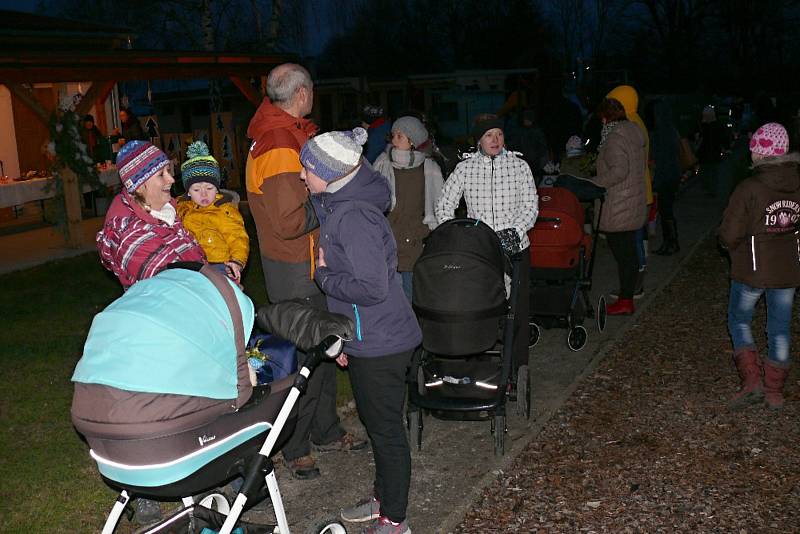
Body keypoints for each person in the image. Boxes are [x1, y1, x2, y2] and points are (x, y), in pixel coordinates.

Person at [299, 128, 420, 534]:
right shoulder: (341, 204)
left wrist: (324, 278)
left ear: (330, 173)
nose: (301, 175)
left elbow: (372, 287)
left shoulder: (353, 217)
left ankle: (395, 519)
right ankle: (384, 500)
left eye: (307, 168)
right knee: (377, 423)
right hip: (371, 335)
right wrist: (346, 336)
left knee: (385, 431)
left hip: (383, 342)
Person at [245, 62, 363, 480]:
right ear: (300, 94)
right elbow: (289, 220)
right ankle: (295, 447)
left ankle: (326, 430)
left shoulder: (289, 132)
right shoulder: (278, 143)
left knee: (324, 347)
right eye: (311, 90)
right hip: (296, 265)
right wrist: (330, 198)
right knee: (302, 358)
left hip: (310, 261)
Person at [95, 140, 207, 524]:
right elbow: (165, 268)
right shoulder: (127, 227)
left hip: (179, 326)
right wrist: (208, 270)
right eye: (163, 174)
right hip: (151, 333)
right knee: (149, 411)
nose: (171, 180)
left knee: (183, 405)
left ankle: (188, 473)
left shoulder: (163, 213)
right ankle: (143, 491)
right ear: (140, 183)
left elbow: (192, 258)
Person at [435, 115, 538, 376]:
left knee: (517, 310)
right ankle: (477, 363)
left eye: (499, 134)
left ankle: (517, 367)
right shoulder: (465, 169)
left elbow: (530, 206)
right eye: (489, 135)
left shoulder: (519, 166)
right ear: (479, 139)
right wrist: (461, 234)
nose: (495, 140)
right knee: (478, 307)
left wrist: (513, 232)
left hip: (514, 249)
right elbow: (444, 205)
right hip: (479, 251)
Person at [718, 122, 800, 410]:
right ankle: (774, 390)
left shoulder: (750, 188)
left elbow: (729, 233)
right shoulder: (797, 183)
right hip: (788, 271)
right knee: (779, 328)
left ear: (759, 152)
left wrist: (727, 245)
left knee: (739, 320)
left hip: (752, 270)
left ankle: (751, 381)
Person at [97, 140, 206, 290]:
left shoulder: (169, 211)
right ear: (139, 186)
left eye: (168, 171)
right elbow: (174, 285)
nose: (171, 179)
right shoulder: (131, 236)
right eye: (162, 174)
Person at [373, 116, 443, 301]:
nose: (394, 140)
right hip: (388, 242)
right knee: (391, 301)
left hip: (416, 243)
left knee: (412, 300)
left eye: (400, 136)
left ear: (413, 141)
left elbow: (440, 207)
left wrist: (423, 232)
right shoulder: (381, 164)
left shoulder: (429, 168)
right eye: (393, 135)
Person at [591, 97, 647, 316]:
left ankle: (625, 300)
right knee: (630, 255)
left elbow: (618, 171)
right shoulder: (633, 133)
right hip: (633, 202)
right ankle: (627, 297)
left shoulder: (614, 138)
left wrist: (593, 182)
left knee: (624, 256)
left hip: (619, 206)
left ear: (605, 118)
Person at [176, 141, 249, 283]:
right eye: (196, 190)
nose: (203, 194)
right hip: (192, 264)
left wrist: (237, 261)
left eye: (209, 188)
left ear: (217, 189)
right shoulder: (182, 208)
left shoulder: (224, 211)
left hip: (219, 264)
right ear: (188, 192)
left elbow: (238, 237)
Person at [607, 85, 651, 297]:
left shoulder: (629, 125)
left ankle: (634, 286)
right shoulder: (637, 121)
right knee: (636, 240)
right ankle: (634, 284)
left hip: (631, 193)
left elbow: (622, 168)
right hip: (640, 189)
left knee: (632, 244)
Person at [650, 100, 682, 255]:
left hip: (665, 176)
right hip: (673, 175)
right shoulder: (672, 131)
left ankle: (671, 243)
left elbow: (658, 157)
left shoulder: (659, 133)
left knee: (665, 210)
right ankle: (671, 242)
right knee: (667, 210)